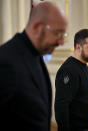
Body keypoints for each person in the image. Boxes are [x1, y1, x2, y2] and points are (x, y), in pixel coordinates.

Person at [0, 1, 67, 131]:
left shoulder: (35, 54)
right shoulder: (5, 62)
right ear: (37, 27)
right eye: (58, 34)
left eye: (63, 35)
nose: (62, 42)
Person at [55, 29, 88, 131]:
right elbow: (61, 105)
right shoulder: (69, 70)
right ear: (78, 47)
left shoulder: (83, 65)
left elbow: (84, 93)